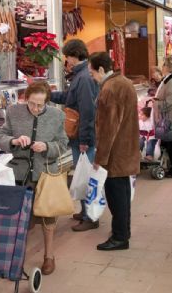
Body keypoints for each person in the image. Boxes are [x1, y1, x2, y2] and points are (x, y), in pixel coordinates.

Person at [0, 81, 68, 275]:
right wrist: (14, 141)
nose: (35, 108)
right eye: (32, 103)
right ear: (25, 98)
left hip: (45, 173)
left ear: (47, 103)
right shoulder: (13, 112)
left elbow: (63, 143)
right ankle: (18, 257)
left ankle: (49, 256)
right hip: (19, 174)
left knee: (48, 217)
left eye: (40, 105)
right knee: (21, 220)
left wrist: (47, 147)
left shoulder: (57, 115)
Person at [89, 52, 140, 251]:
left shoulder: (110, 88)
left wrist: (100, 157)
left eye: (92, 72)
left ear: (101, 69)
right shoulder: (123, 82)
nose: (92, 77)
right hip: (125, 148)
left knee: (116, 197)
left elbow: (107, 128)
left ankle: (120, 237)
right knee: (123, 195)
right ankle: (122, 232)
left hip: (115, 154)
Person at [50, 39, 99, 232]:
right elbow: (69, 98)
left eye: (67, 56)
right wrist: (49, 95)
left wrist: (85, 140)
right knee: (82, 175)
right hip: (79, 135)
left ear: (73, 55)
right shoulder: (81, 75)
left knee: (86, 176)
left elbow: (87, 111)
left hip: (82, 136)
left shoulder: (84, 77)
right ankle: (85, 211)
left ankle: (91, 217)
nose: (66, 61)